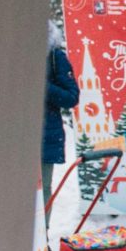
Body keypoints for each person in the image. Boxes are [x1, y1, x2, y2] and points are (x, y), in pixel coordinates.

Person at [42, 21, 78, 202]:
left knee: (42, 189)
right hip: (13, 135)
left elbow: (71, 97)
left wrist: (44, 87)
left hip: (45, 135)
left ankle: (43, 221)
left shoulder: (56, 58)